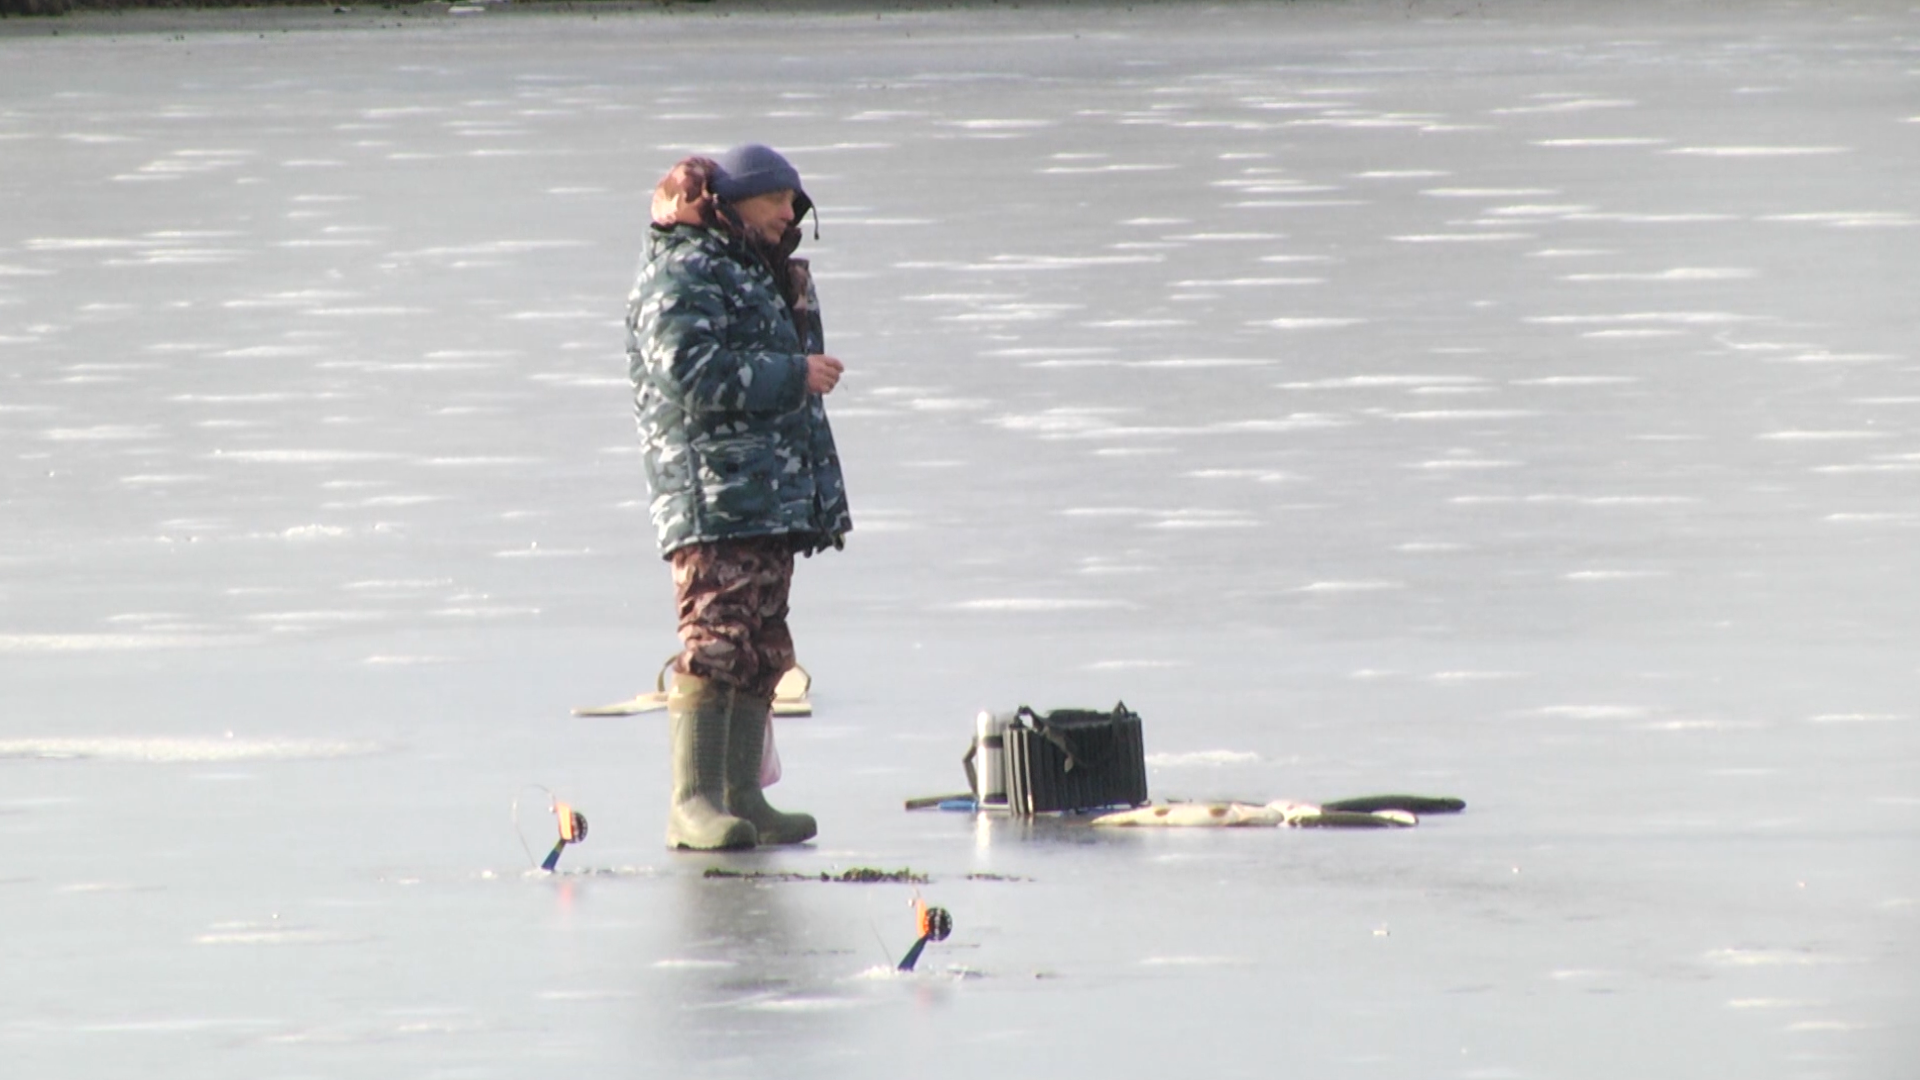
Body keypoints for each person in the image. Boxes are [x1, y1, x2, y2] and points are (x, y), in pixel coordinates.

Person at [625, 144, 851, 851]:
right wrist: (792, 374)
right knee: (716, 639)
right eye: (782, 200)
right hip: (714, 489)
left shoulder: (759, 271)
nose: (792, 213)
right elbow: (687, 371)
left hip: (770, 490)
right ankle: (692, 802)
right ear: (742, 199)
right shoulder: (685, 268)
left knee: (759, 643)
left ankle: (742, 795)